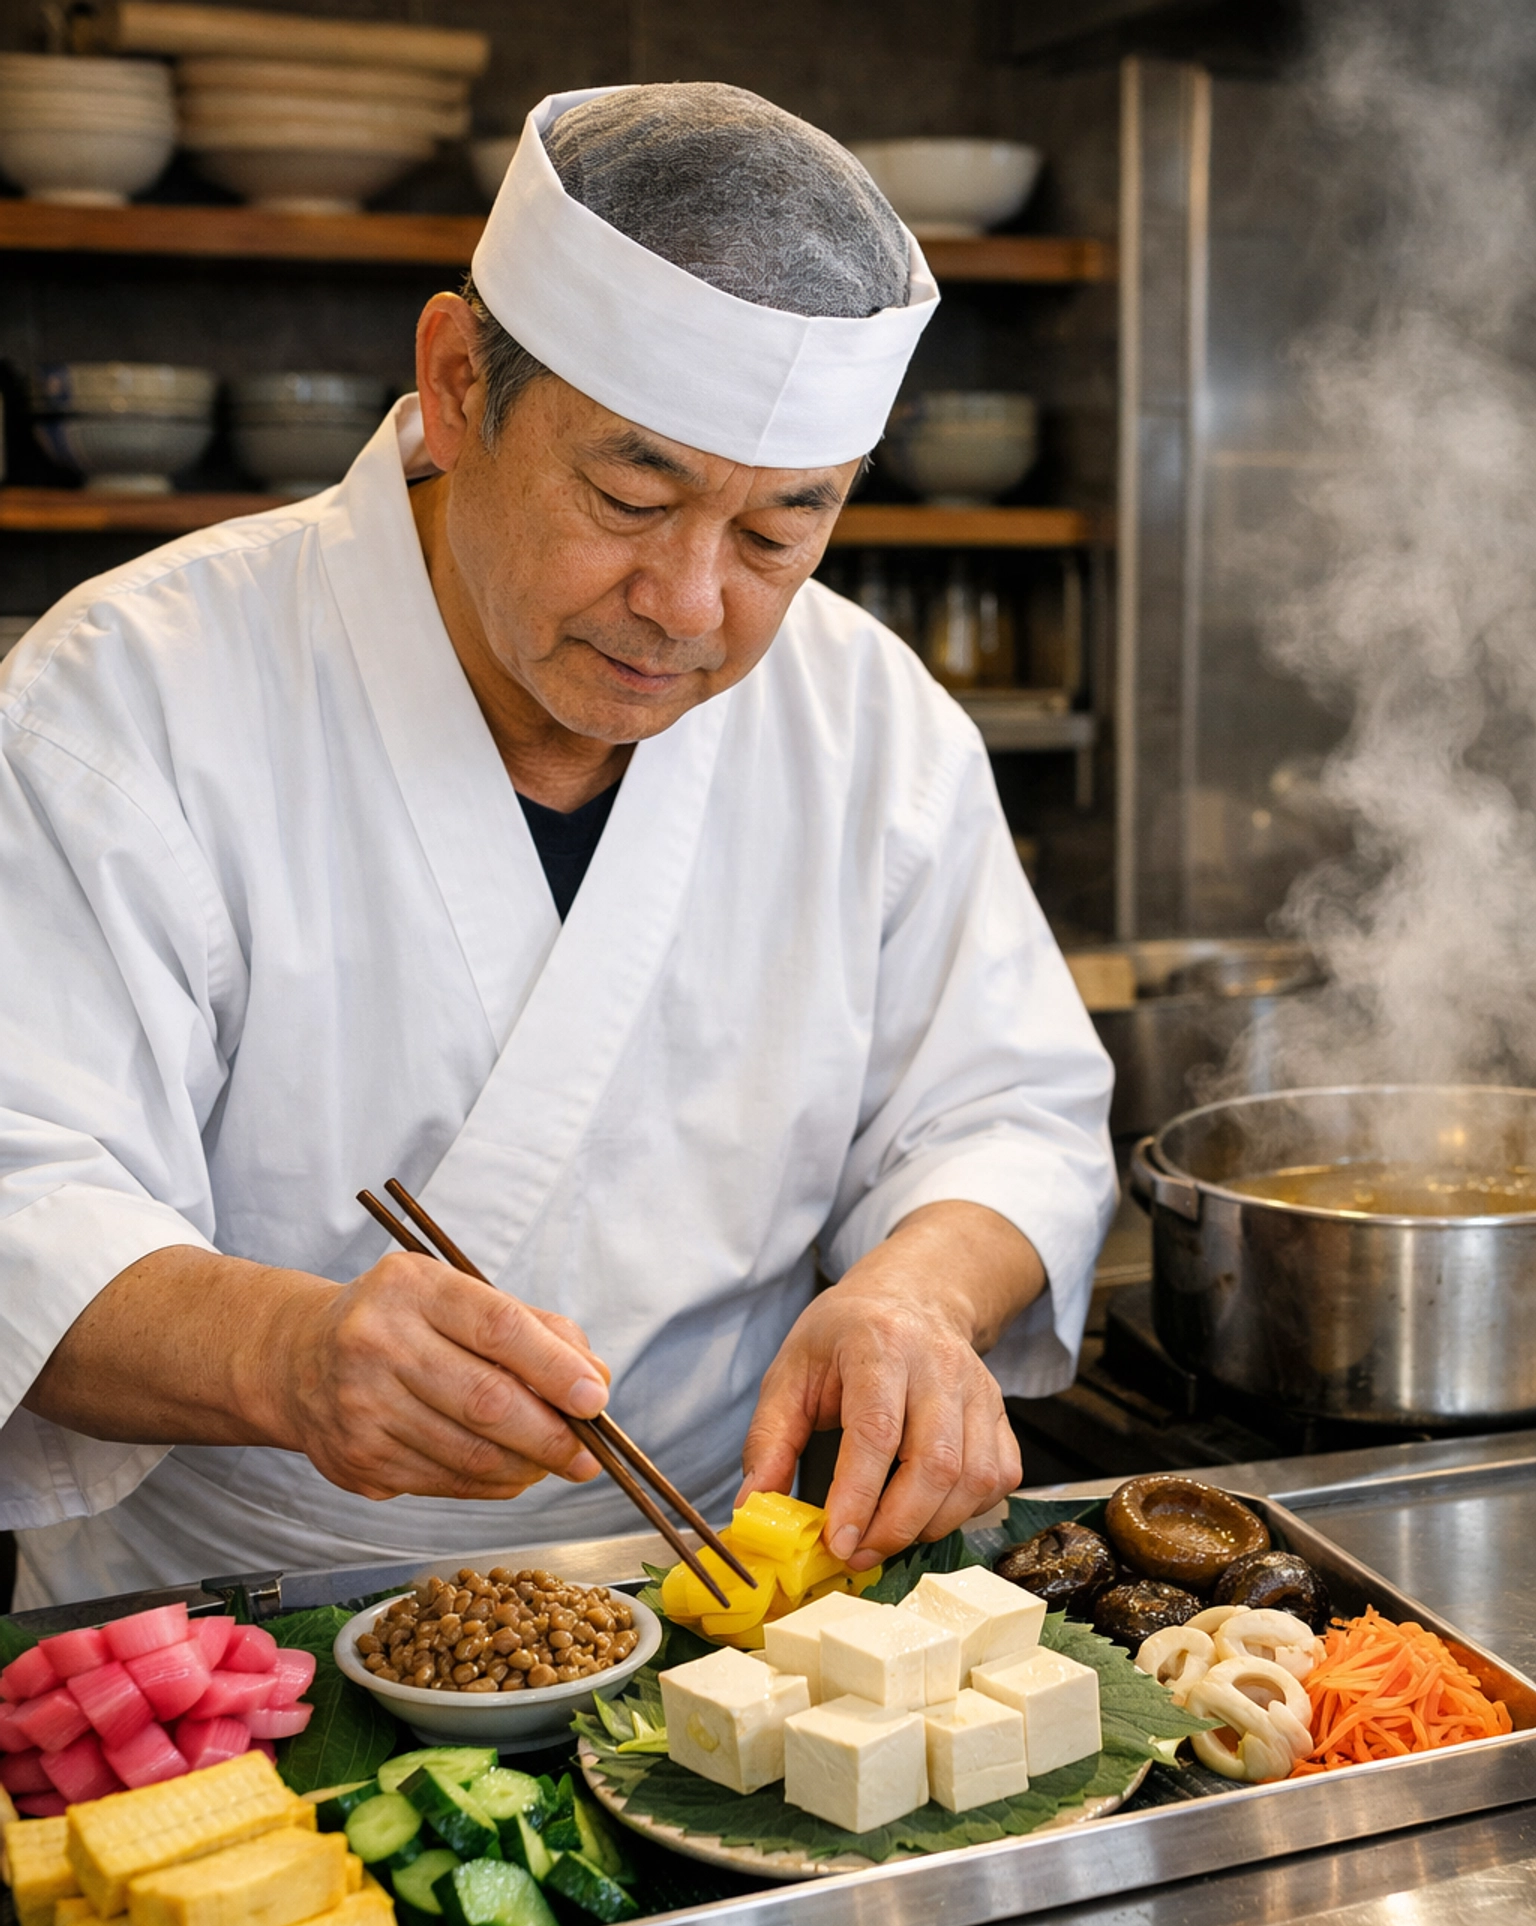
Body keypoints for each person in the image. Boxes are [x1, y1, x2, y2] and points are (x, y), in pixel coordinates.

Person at [0, 83, 1114, 1609]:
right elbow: (24, 1194)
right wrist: (290, 1354)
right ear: (457, 382)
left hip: (734, 1604)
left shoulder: (870, 719)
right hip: (244, 1626)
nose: (691, 602)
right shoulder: (124, 698)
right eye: (629, 492)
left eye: (781, 534)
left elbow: (1007, 1113)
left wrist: (919, 1295)